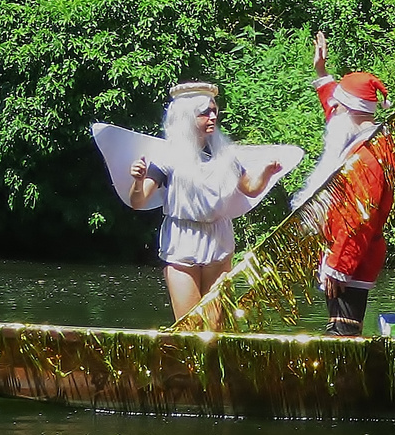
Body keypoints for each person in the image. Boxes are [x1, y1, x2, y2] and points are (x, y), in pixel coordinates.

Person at [123, 82, 287, 325]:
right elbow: (138, 201)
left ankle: (215, 363)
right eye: (204, 113)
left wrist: (266, 171)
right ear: (187, 118)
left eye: (214, 111)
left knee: (215, 327)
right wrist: (138, 180)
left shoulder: (224, 155)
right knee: (190, 326)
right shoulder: (168, 156)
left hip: (218, 239)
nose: (212, 117)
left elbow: (250, 188)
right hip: (182, 240)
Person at [293, 31, 395, 336]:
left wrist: (338, 264)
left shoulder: (366, 156)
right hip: (345, 250)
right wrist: (322, 73)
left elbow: (358, 220)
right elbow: (334, 112)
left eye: (337, 104)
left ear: (350, 109)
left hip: (353, 256)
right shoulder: (355, 135)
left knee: (342, 335)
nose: (331, 109)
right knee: (340, 332)